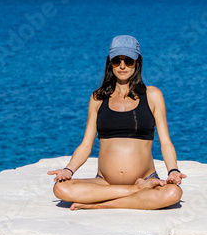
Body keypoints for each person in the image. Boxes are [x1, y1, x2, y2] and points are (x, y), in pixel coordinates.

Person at [48, 35, 185, 210]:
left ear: (137, 63)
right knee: (61, 188)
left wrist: (173, 171)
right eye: (116, 61)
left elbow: (165, 142)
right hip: (105, 183)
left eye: (128, 61)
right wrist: (68, 170)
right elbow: (86, 145)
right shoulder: (98, 97)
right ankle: (134, 191)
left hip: (147, 179)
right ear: (109, 62)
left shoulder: (152, 95)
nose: (122, 66)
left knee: (173, 193)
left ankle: (99, 205)